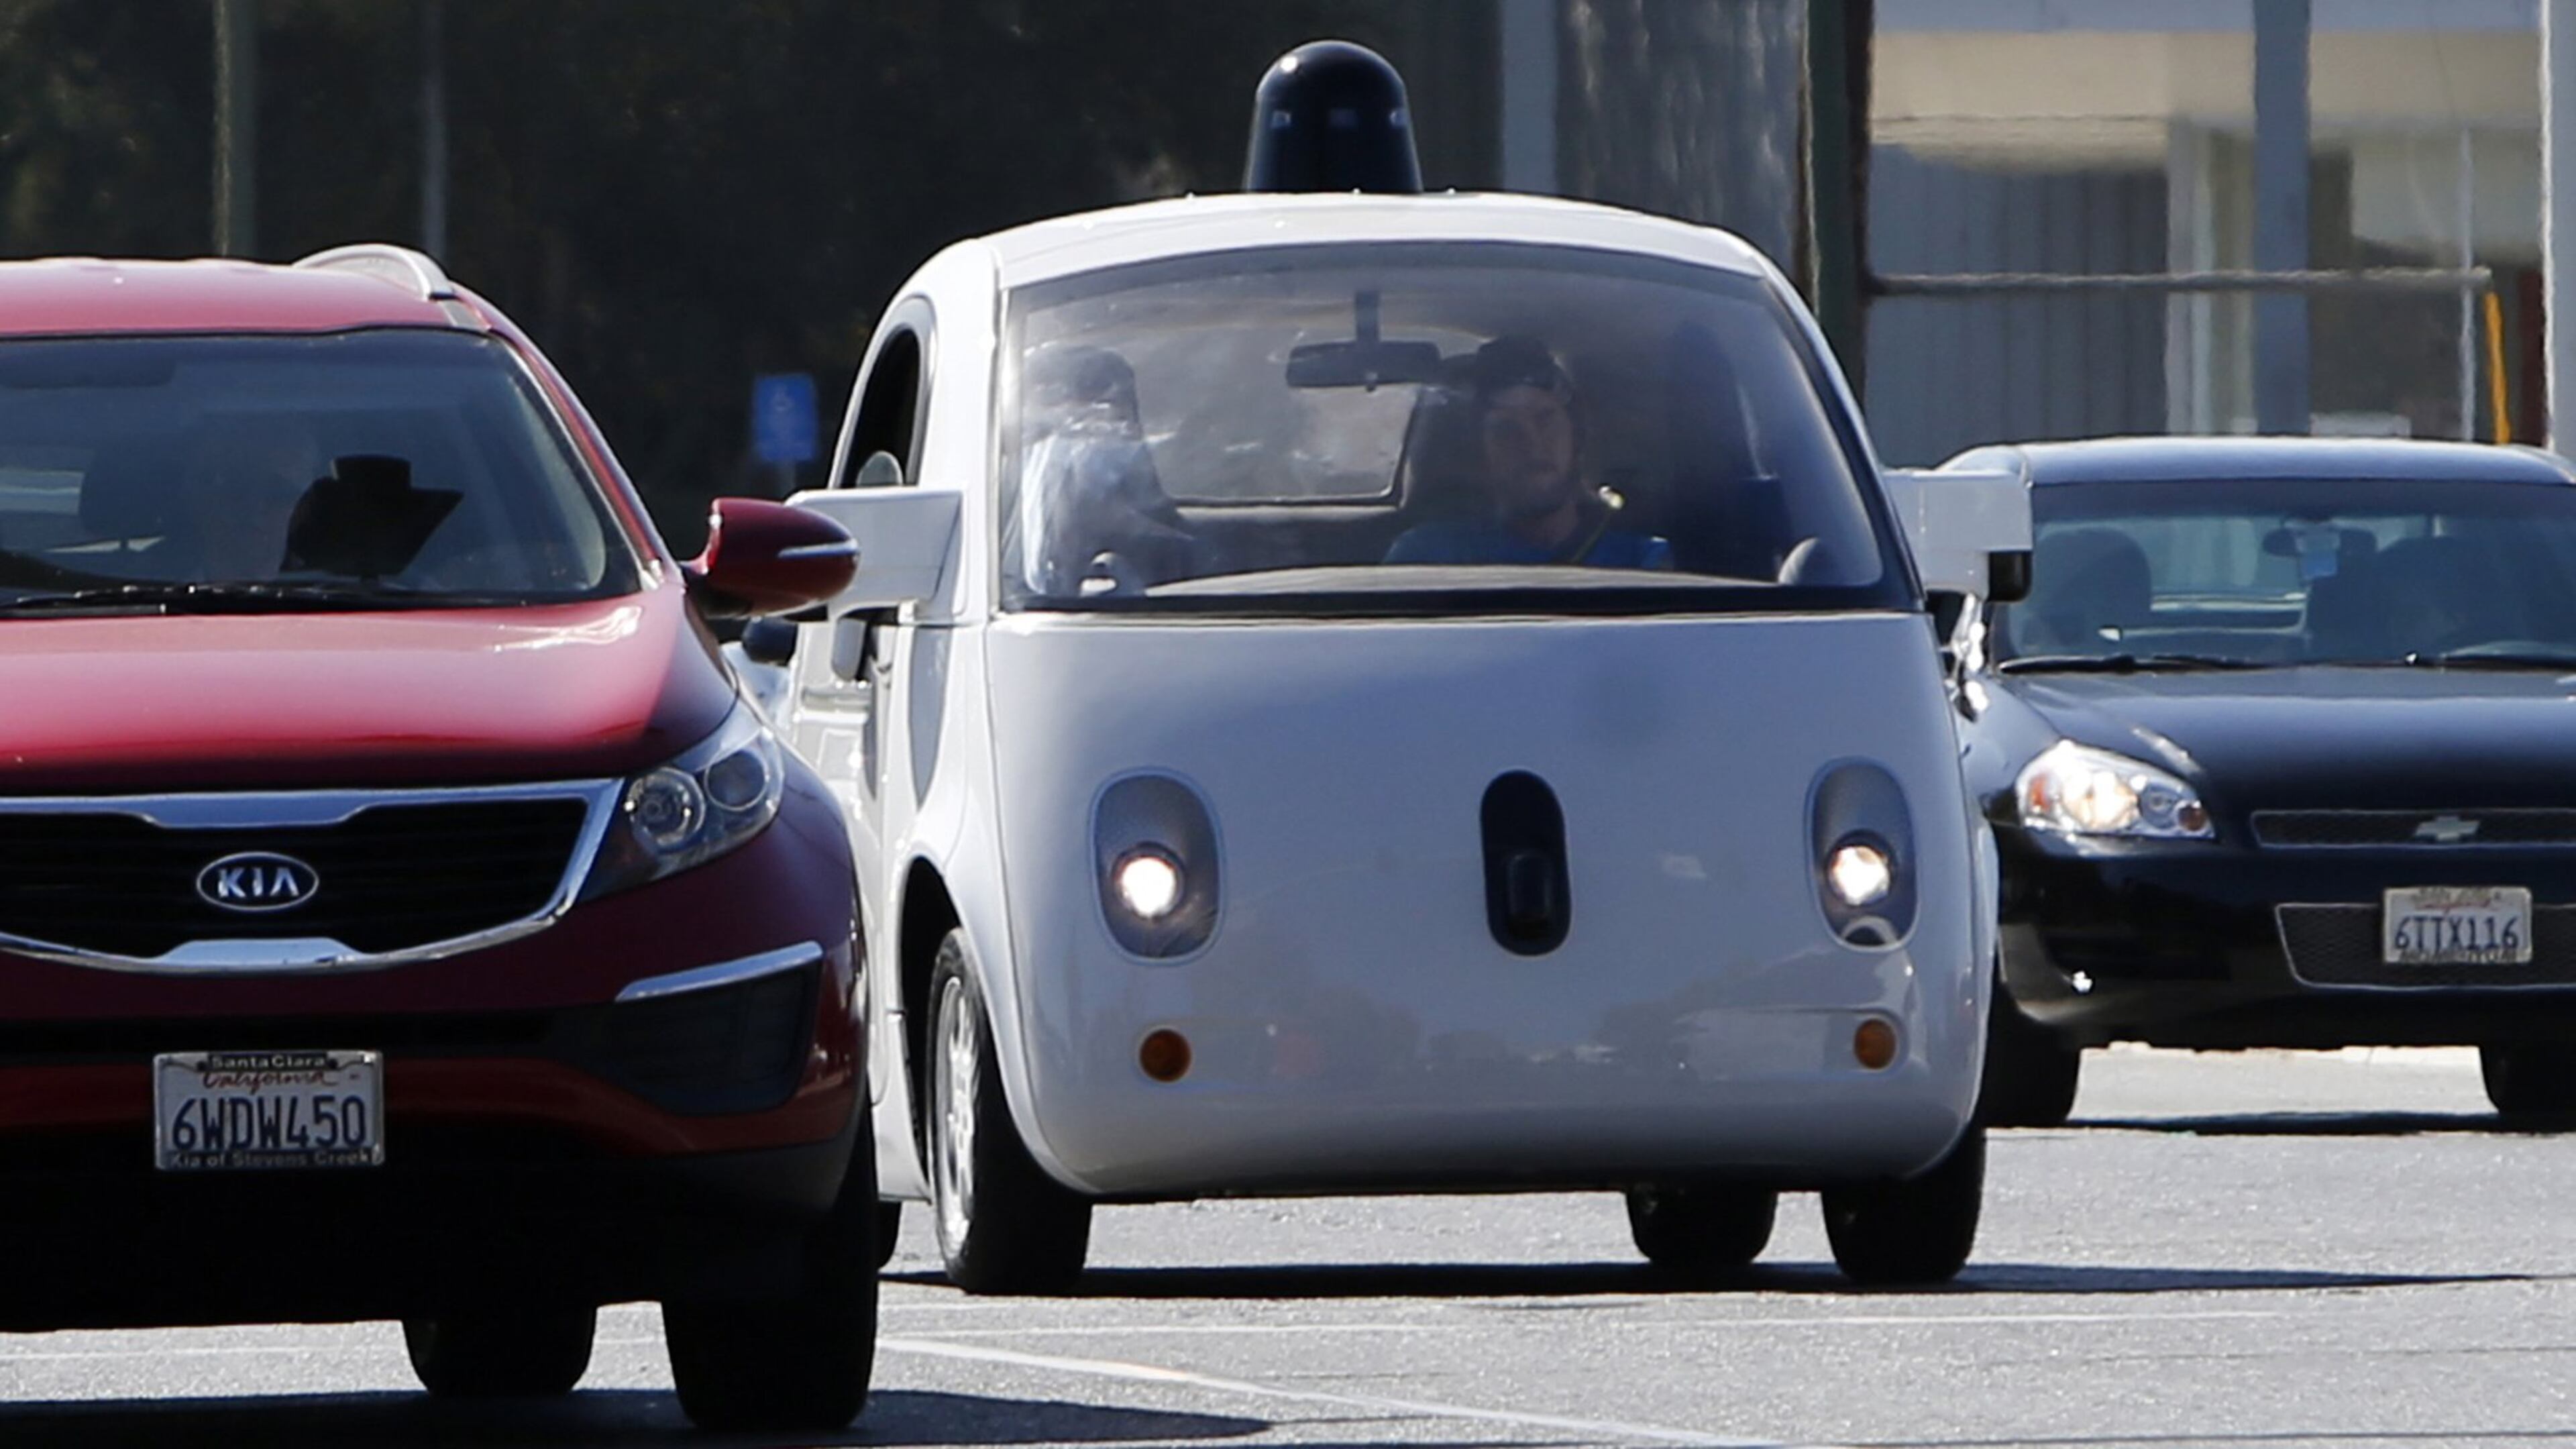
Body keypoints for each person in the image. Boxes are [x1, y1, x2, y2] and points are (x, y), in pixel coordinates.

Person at [1385, 335, 1671, 570]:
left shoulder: (1642, 563)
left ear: (1576, 434)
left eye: (1545, 419)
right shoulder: (1429, 558)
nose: (1531, 443)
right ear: (1479, 452)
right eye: (1505, 429)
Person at [1012, 344, 1197, 596]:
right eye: (1076, 420)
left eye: (1114, 417)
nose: (1100, 435)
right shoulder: (990, 547)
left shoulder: (1182, 561)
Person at [176, 413, 322, 581]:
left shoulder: (337, 591)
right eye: (238, 489)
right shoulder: (148, 583)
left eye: (278, 494)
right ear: (197, 496)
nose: (255, 507)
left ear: (306, 506)